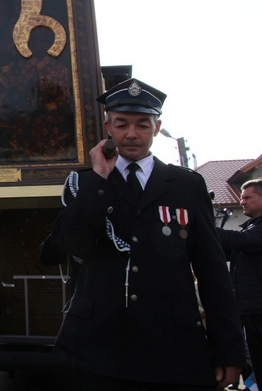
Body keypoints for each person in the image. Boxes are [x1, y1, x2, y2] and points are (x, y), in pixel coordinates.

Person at [53, 78, 246, 389]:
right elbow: (75, 244)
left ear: (157, 127)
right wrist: (101, 178)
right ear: (108, 127)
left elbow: (212, 273)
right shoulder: (86, 183)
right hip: (98, 349)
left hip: (171, 349)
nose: (132, 134)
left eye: (143, 124)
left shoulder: (187, 185)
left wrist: (230, 350)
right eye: (122, 124)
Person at [217, 179, 262, 378]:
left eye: (247, 197)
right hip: (250, 311)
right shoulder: (249, 229)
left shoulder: (252, 234)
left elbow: (246, 242)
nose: (242, 202)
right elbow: (230, 250)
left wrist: (208, 231)